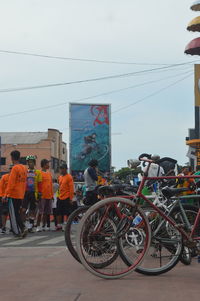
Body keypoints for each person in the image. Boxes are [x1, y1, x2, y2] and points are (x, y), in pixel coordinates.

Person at [6, 150, 27, 238]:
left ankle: (18, 231)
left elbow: (11, 183)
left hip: (13, 194)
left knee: (13, 214)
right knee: (17, 213)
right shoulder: (24, 168)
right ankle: (22, 228)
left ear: (12, 157)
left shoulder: (15, 168)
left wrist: (7, 194)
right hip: (20, 193)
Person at [21, 155, 42, 232]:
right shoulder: (24, 172)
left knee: (32, 210)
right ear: (27, 163)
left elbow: (40, 184)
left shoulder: (38, 172)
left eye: (32, 162)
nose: (31, 164)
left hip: (34, 193)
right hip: (25, 193)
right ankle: (22, 224)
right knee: (23, 209)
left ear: (34, 163)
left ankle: (31, 225)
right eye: (29, 162)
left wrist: (40, 193)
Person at [36, 159, 53, 232]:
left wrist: (52, 195)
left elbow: (51, 185)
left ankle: (44, 226)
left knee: (47, 212)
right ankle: (38, 226)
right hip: (42, 196)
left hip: (49, 196)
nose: (48, 165)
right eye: (47, 164)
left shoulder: (49, 173)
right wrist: (37, 194)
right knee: (40, 212)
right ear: (43, 164)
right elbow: (37, 184)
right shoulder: (39, 172)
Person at [57, 164, 75, 231]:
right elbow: (59, 187)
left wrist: (71, 199)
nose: (61, 170)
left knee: (67, 212)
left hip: (67, 197)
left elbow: (71, 189)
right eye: (60, 169)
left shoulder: (69, 177)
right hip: (60, 196)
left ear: (66, 169)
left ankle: (67, 226)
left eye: (62, 168)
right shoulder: (60, 177)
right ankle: (59, 225)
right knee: (58, 212)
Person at [0, 165, 12, 234]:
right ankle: (3, 227)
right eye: (10, 168)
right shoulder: (4, 177)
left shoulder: (16, 178)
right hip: (5, 197)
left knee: (12, 214)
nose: (11, 170)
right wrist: (2, 196)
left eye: (12, 169)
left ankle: (12, 228)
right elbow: (1, 187)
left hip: (13, 197)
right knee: (4, 213)